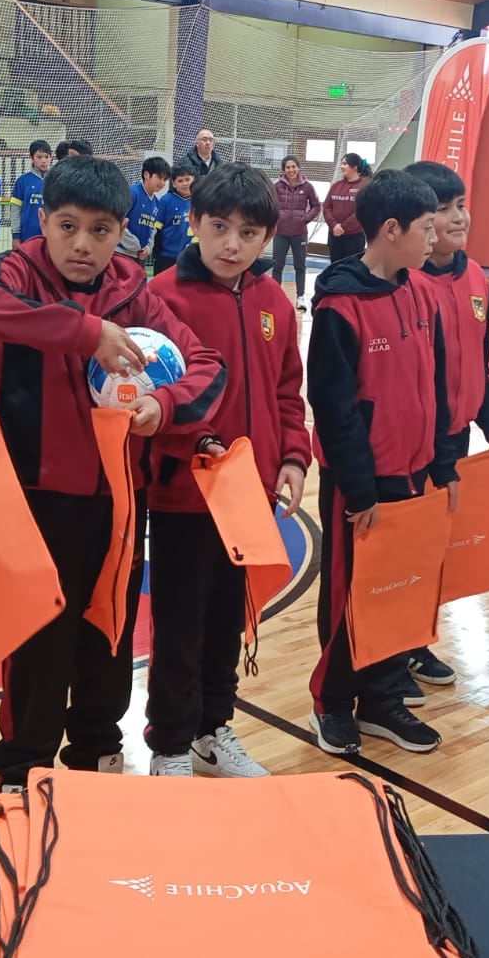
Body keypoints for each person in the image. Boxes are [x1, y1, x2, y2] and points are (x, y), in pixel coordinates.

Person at [0, 155, 226, 791]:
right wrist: (87, 333)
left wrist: (164, 407)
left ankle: (99, 754)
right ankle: (23, 770)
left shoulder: (136, 289)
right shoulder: (14, 271)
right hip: (35, 497)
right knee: (39, 641)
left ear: (122, 231)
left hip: (119, 500)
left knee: (108, 630)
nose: (83, 245)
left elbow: (206, 363)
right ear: (43, 220)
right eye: (68, 226)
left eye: (101, 231)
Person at [144, 164, 306, 779]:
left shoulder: (273, 302)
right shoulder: (160, 298)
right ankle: (170, 745)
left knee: (225, 620)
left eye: (247, 233)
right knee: (180, 624)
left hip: (252, 491)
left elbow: (289, 389)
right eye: (218, 228)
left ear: (268, 238)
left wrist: (292, 455)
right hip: (185, 492)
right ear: (192, 223)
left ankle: (214, 728)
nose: (231, 245)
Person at [307, 169, 461, 757]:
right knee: (351, 596)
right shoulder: (340, 307)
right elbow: (333, 407)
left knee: (399, 592)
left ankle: (380, 699)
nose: (437, 235)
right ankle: (333, 702)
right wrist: (361, 489)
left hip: (415, 471)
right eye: (427, 227)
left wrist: (444, 463)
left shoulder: (421, 291)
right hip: (361, 485)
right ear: (391, 229)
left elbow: (439, 383)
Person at [391, 162, 489, 699]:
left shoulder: (472, 276)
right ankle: (390, 653)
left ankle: (414, 642)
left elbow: (480, 360)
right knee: (405, 553)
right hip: (417, 443)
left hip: (457, 437)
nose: (457, 217)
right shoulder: (406, 283)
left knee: (435, 549)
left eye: (459, 204)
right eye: (441, 209)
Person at [273, 155, 320, 308]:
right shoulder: (276, 186)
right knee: (277, 265)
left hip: (300, 233)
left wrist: (305, 218)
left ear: (298, 168)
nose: (291, 170)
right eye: (288, 167)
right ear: (283, 170)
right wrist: (277, 217)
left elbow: (316, 206)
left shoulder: (307, 186)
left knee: (300, 266)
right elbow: (270, 204)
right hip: (280, 233)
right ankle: (274, 296)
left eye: (294, 167)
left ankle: (300, 297)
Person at [323, 152, 369, 263]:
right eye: (342, 163)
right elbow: (326, 207)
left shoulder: (365, 186)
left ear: (355, 167)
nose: (342, 167)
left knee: (352, 268)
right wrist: (334, 225)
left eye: (345, 164)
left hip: (354, 238)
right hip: (334, 235)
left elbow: (362, 211)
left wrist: (343, 227)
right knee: (335, 267)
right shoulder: (336, 186)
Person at [123, 156, 169, 261]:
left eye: (165, 179)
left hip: (139, 256)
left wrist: (148, 247)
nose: (162, 183)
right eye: (159, 177)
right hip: (122, 253)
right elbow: (116, 222)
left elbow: (152, 229)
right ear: (146, 175)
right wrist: (134, 245)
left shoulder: (157, 203)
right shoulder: (132, 193)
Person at [152, 164, 195, 276]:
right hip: (167, 257)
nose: (185, 184)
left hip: (191, 257)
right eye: (180, 181)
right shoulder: (166, 200)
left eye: (187, 179)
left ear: (193, 180)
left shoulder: (200, 200)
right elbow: (157, 228)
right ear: (174, 184)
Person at [10, 140, 53, 248]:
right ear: (31, 157)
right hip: (27, 237)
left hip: (52, 236)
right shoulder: (22, 181)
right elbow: (16, 210)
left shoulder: (57, 180)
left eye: (46, 157)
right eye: (39, 157)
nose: (43, 160)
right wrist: (16, 236)